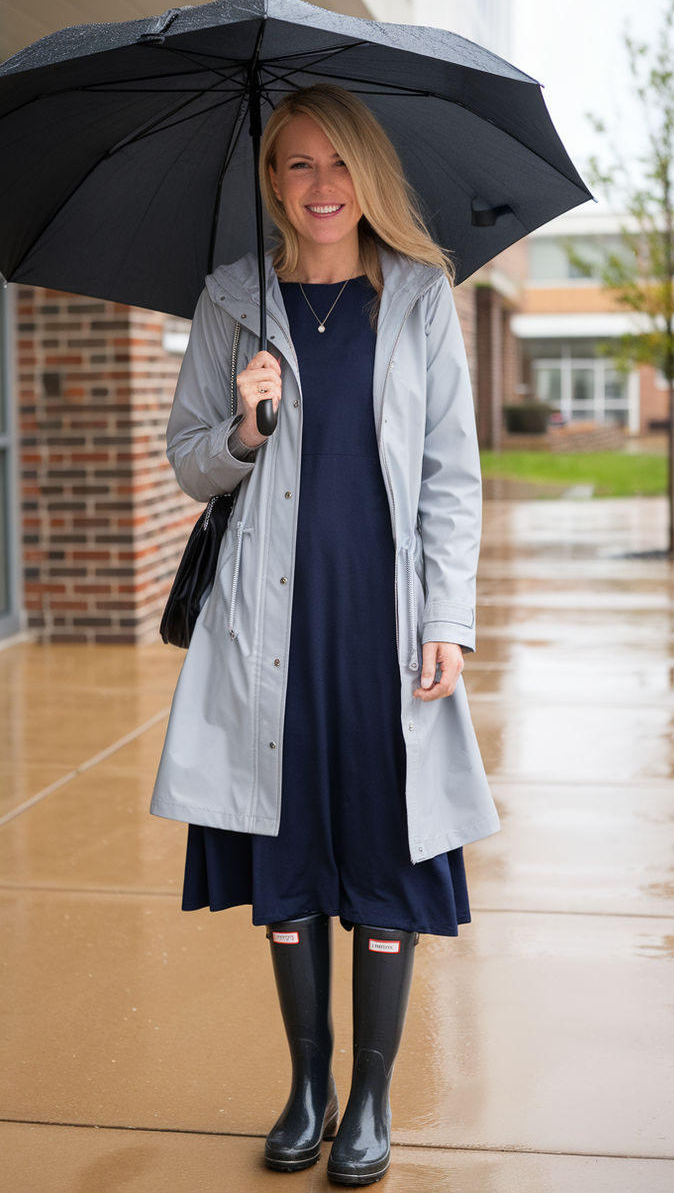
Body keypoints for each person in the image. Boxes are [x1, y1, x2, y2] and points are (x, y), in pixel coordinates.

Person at [151, 84, 499, 1186]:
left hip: (381, 619)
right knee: (288, 852)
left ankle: (370, 1101)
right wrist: (245, 424)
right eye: (296, 166)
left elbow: (451, 472)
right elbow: (188, 459)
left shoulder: (419, 298)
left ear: (368, 177)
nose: (319, 188)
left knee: (387, 852)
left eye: (337, 164)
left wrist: (447, 617)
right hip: (269, 622)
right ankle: (305, 1087)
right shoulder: (229, 303)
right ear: (271, 181)